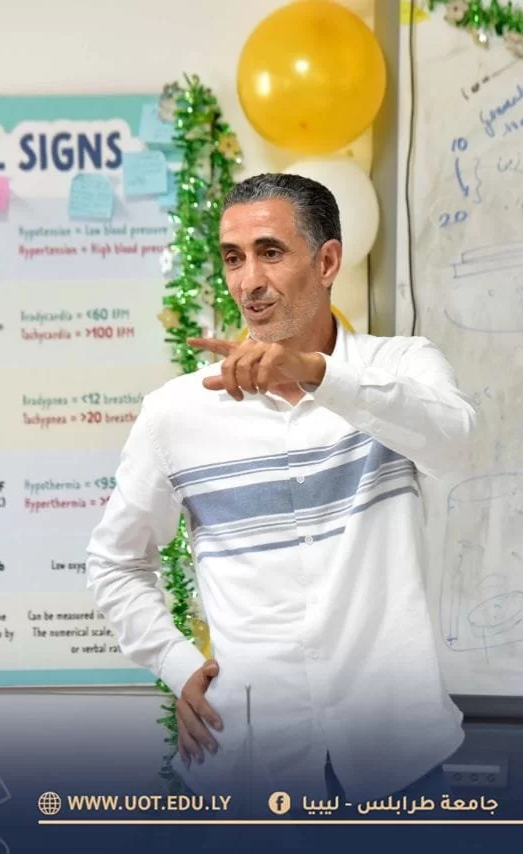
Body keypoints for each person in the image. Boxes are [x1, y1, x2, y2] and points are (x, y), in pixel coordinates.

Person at [85, 172, 476, 808]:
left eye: (270, 252)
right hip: (248, 770)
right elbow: (116, 564)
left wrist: (320, 375)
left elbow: (458, 445)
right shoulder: (178, 412)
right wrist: (179, 667)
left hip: (400, 764)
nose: (248, 281)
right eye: (233, 258)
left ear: (327, 262)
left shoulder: (400, 369)